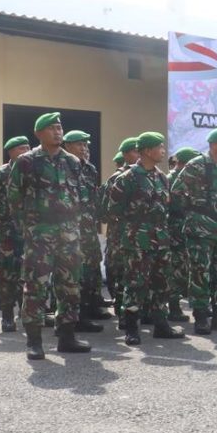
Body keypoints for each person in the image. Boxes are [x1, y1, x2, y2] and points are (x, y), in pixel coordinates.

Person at [6, 112, 92, 359]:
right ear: (39, 133)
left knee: (70, 287)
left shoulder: (72, 162)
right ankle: (34, 342)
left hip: (69, 236)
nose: (57, 132)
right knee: (36, 288)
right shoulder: (26, 162)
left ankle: (67, 337)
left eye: (59, 127)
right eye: (52, 128)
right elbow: (14, 198)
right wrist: (30, 228)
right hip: (40, 236)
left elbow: (81, 197)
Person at [108, 132, 187, 343]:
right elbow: (114, 210)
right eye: (159, 147)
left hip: (160, 239)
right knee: (135, 284)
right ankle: (131, 328)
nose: (163, 151)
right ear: (147, 151)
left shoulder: (162, 177)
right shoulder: (128, 178)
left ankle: (161, 325)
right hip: (137, 240)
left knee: (162, 283)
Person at [171, 128, 217, 334]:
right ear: (214, 145)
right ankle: (201, 316)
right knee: (200, 272)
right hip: (201, 228)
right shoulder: (197, 164)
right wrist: (195, 211)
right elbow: (176, 191)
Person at [0, 136, 30, 332]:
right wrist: (1, 216)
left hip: (30, 232)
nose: (26, 152)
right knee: (5, 273)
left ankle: (28, 313)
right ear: (10, 152)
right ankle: (7, 315)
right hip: (7, 234)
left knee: (30, 274)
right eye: (21, 149)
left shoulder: (34, 172)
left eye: (27, 148)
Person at [62, 130, 110, 322]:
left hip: (88, 227)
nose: (83, 148)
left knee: (92, 266)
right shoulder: (62, 167)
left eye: (85, 145)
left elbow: (93, 198)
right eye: (79, 144)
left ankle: (92, 306)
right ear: (68, 146)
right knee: (74, 271)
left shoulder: (90, 169)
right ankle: (76, 314)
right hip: (69, 229)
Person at [100, 137, 140, 326]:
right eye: (135, 151)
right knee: (120, 270)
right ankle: (122, 309)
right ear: (126, 154)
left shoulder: (145, 175)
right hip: (120, 234)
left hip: (140, 234)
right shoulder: (118, 178)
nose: (139, 154)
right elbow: (105, 211)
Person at [166, 148, 200, 322]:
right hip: (175, 228)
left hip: (186, 227)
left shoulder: (186, 177)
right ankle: (173, 307)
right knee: (176, 268)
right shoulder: (171, 178)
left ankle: (196, 305)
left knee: (187, 267)